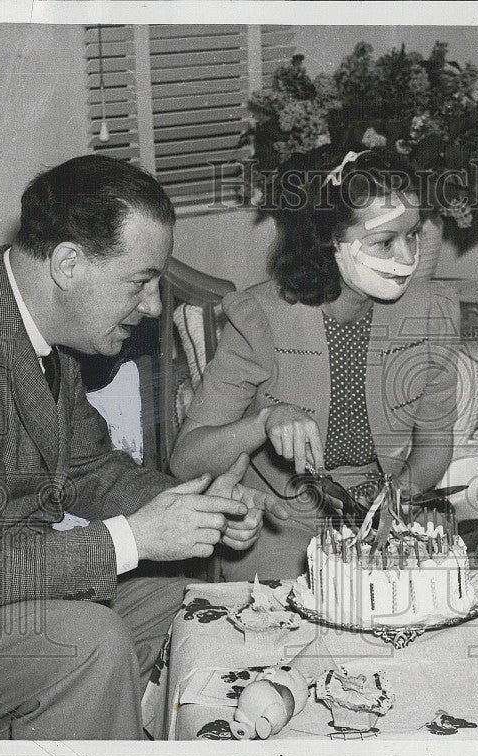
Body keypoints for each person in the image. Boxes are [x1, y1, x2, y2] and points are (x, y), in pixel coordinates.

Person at [0, 154, 287, 739]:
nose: (156, 305)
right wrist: (135, 538)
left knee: (180, 596)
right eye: (140, 281)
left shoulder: (42, 328)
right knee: (89, 644)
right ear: (67, 263)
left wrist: (201, 503)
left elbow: (89, 468)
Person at [170, 148, 460, 581]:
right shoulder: (259, 318)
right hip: (281, 528)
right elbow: (187, 460)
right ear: (330, 239)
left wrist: (391, 507)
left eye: (413, 234)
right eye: (384, 241)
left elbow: (435, 444)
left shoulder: (433, 313)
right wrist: (264, 423)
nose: (406, 257)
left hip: (387, 518)